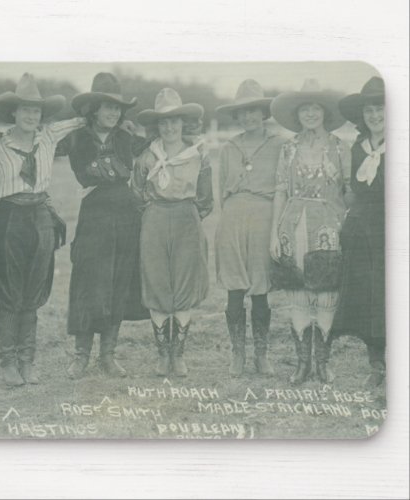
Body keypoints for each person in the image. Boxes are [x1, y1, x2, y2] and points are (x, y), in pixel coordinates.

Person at [0, 73, 86, 387]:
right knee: (10, 291)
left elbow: (81, 121)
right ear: (13, 112)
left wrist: (104, 115)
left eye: (36, 110)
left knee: (34, 292)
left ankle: (28, 361)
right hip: (9, 217)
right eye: (25, 109)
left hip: (40, 215)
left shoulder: (49, 137)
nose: (31, 116)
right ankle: (8, 363)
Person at [64, 72, 146, 379]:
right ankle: (81, 356)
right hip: (94, 216)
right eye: (106, 107)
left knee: (118, 282)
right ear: (94, 109)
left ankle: (108, 355)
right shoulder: (77, 138)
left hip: (126, 215)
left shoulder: (126, 137)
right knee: (88, 283)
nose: (112, 113)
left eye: (117, 108)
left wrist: (134, 130)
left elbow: (150, 147)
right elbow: (83, 173)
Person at [269, 78, 350, 385]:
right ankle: (302, 365)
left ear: (325, 113)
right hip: (292, 224)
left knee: (326, 294)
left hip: (329, 226)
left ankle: (323, 364)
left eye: (316, 109)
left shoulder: (340, 148)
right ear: (297, 114)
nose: (311, 115)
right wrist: (274, 234)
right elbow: (279, 190)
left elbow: (350, 191)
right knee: (298, 294)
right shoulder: (288, 148)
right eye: (305, 110)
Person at [132, 88, 213, 377]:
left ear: (183, 123)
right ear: (156, 126)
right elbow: (137, 193)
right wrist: (156, 214)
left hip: (186, 219)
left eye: (174, 121)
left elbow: (205, 198)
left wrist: (186, 215)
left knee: (184, 283)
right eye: (163, 122)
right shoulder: (146, 156)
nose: (169, 127)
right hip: (154, 219)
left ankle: (178, 354)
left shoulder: (198, 155)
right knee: (157, 283)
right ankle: (161, 354)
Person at [215, 79, 286, 378]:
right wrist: (230, 217)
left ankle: (261, 354)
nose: (248, 117)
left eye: (254, 111)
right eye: (242, 112)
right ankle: (237, 354)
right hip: (233, 217)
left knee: (260, 287)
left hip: (264, 215)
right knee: (235, 285)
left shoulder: (279, 144)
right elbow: (222, 192)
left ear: (263, 112)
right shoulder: (229, 147)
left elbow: (283, 186)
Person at [332, 77, 386, 388]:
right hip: (363, 228)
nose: (375, 116)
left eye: (380, 109)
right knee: (369, 296)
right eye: (369, 111)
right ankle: (376, 363)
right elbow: (354, 191)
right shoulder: (359, 147)